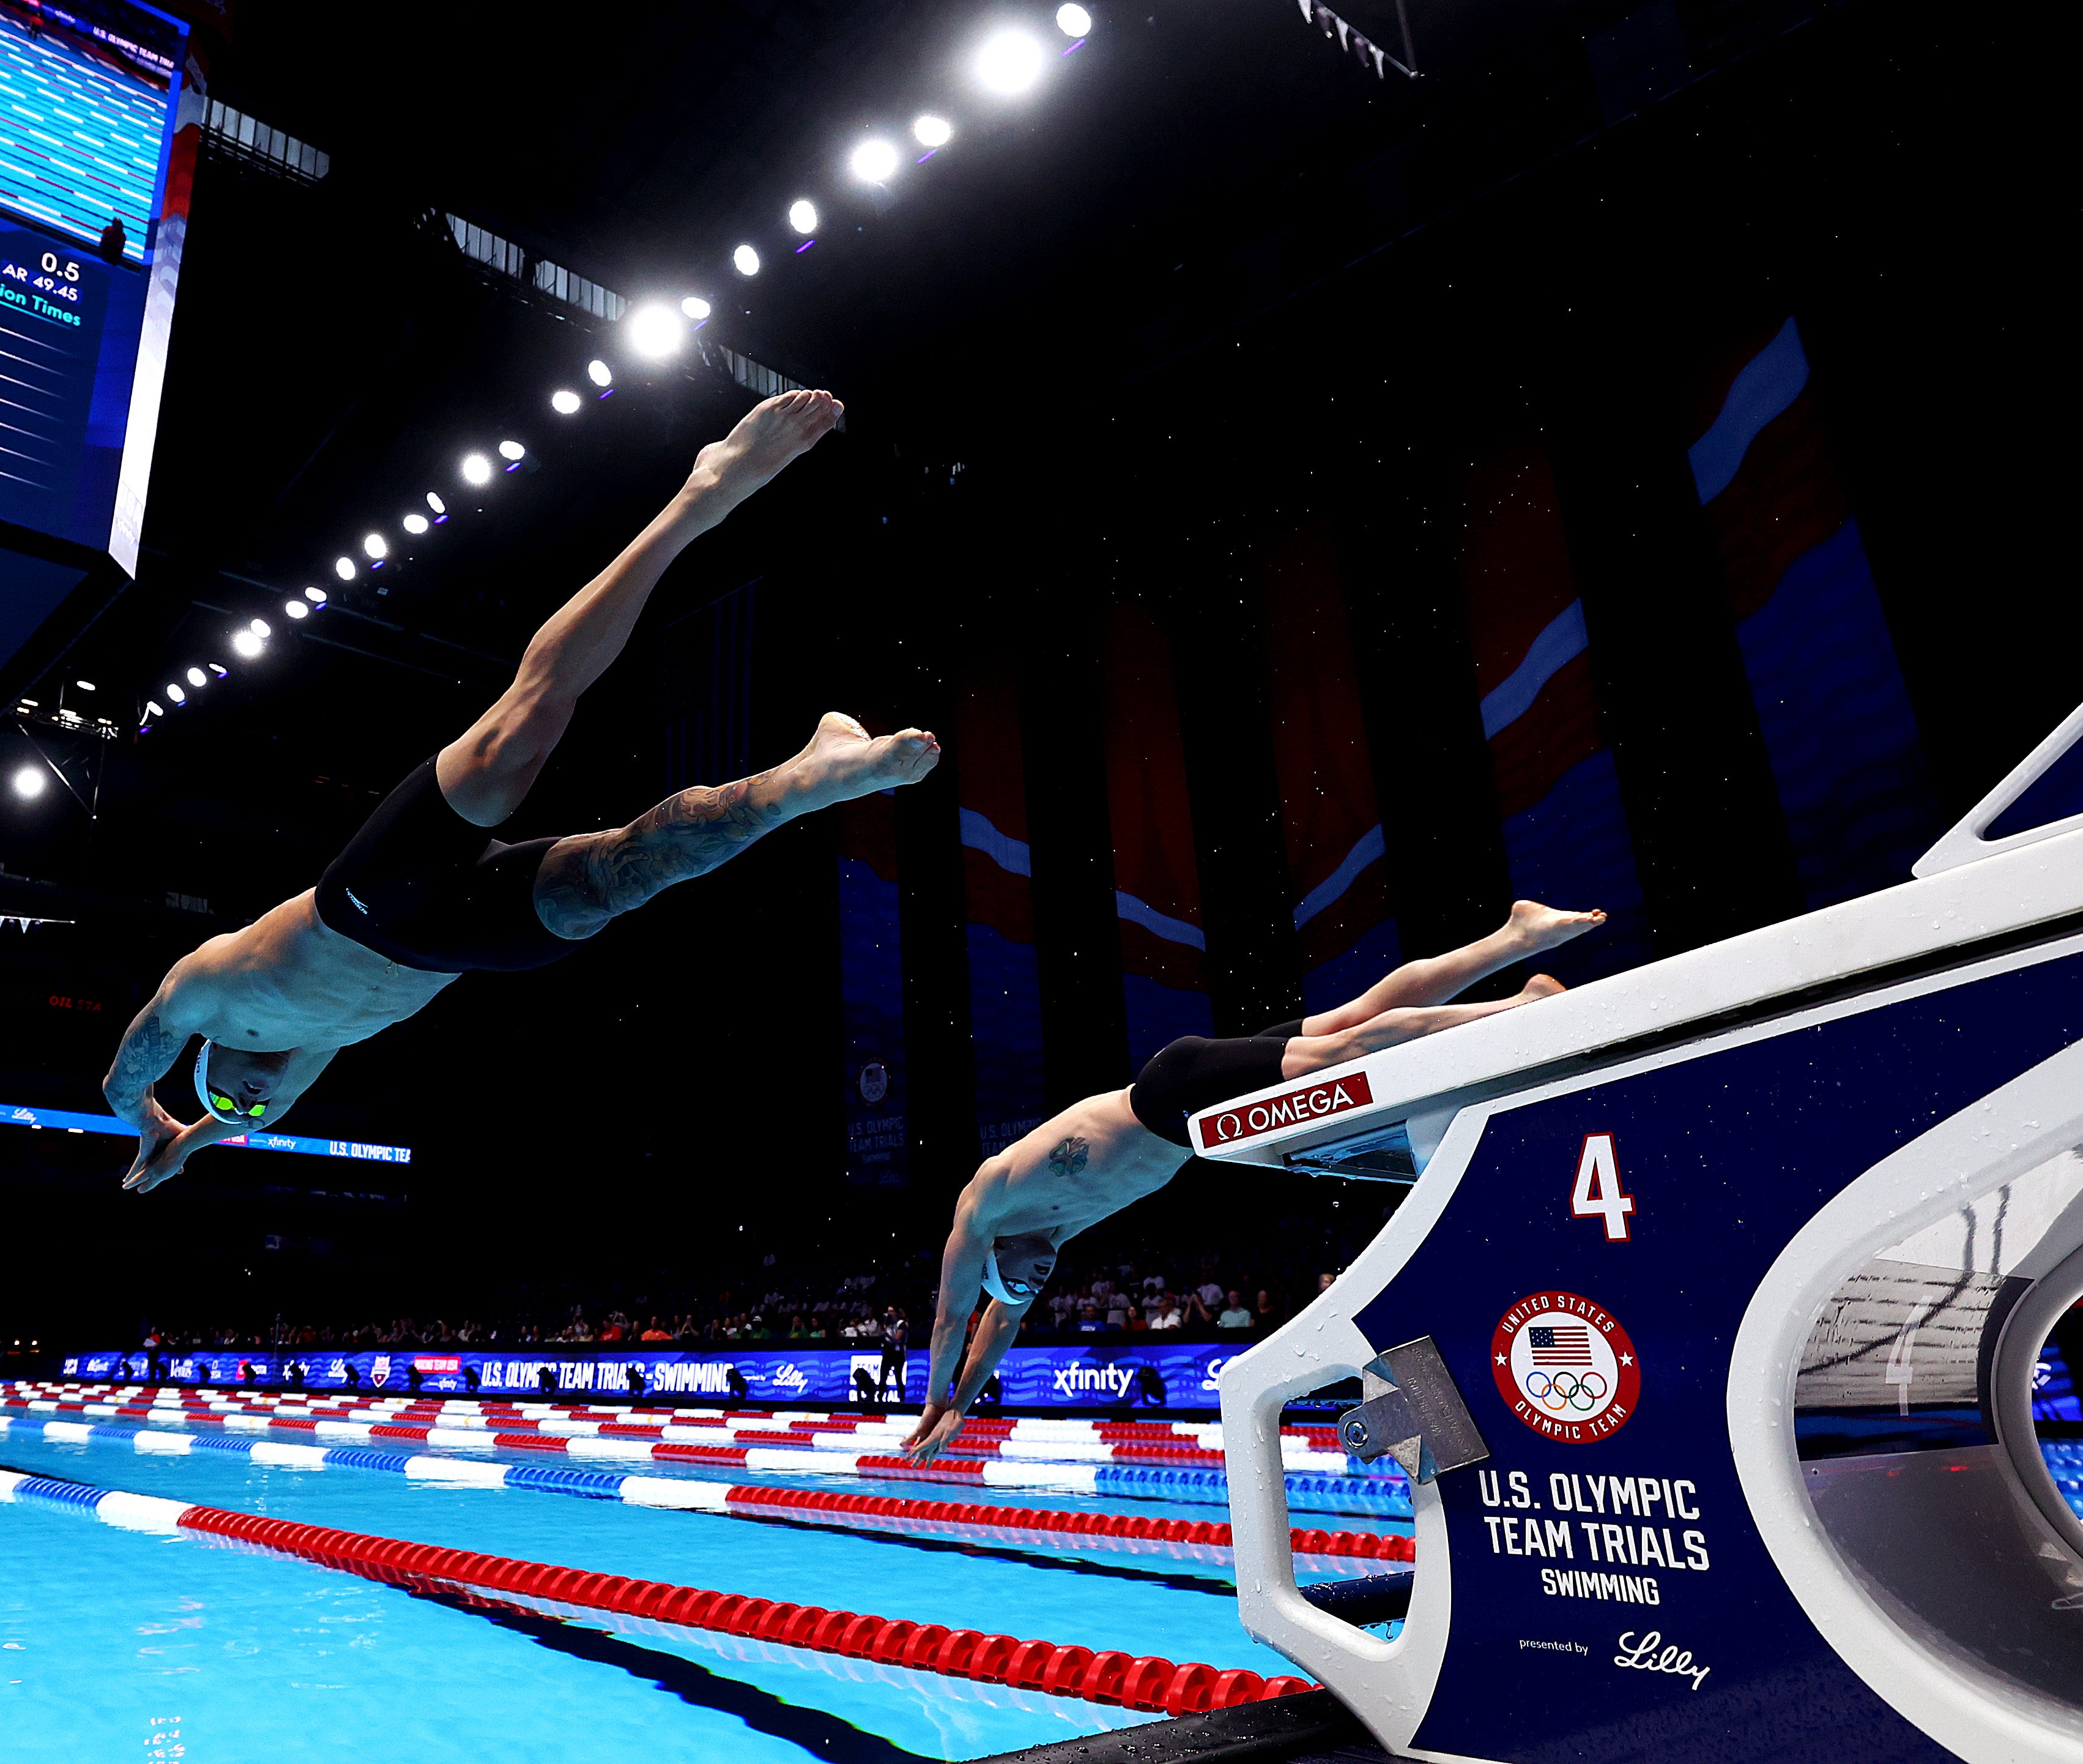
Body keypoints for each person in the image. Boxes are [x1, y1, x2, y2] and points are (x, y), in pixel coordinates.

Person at [99, 392, 938, 1191]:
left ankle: (704, 489)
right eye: (249, 1113)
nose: (251, 1102)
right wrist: (196, 1143)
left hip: (365, 904)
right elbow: (235, 1115)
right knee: (623, 876)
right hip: (455, 944)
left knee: (521, 729)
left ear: (208, 1055)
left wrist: (145, 1120)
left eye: (231, 1097)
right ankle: (812, 775)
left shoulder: (207, 991)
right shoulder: (271, 1096)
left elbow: (126, 1070)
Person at [897, 900, 1607, 1460]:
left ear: (995, 1256)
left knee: (1347, 1051)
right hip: (1190, 1111)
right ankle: (1513, 940)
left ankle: (1517, 1011)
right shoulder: (1054, 1232)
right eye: (1031, 1289)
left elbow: (954, 1319)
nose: (1037, 1279)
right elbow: (998, 1326)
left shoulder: (985, 1200)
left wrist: (933, 1400)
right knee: (1356, 1018)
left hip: (1169, 1095)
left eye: (1020, 1279)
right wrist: (966, 1403)